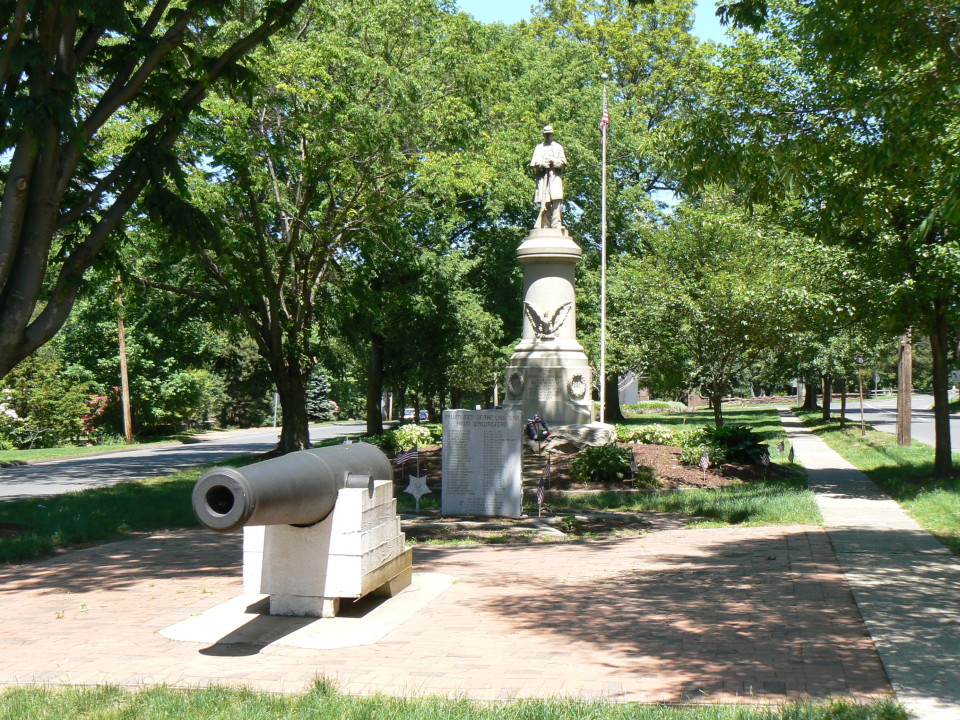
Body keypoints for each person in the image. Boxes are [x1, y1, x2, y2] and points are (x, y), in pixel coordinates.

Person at [530, 125, 567, 229]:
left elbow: (563, 161)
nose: (548, 136)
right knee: (544, 201)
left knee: (557, 199)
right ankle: (545, 224)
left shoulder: (558, 147)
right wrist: (541, 164)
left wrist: (553, 162)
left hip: (555, 177)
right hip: (543, 178)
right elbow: (534, 162)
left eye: (550, 134)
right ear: (543, 135)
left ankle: (556, 223)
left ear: (553, 134)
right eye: (546, 134)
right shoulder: (539, 147)